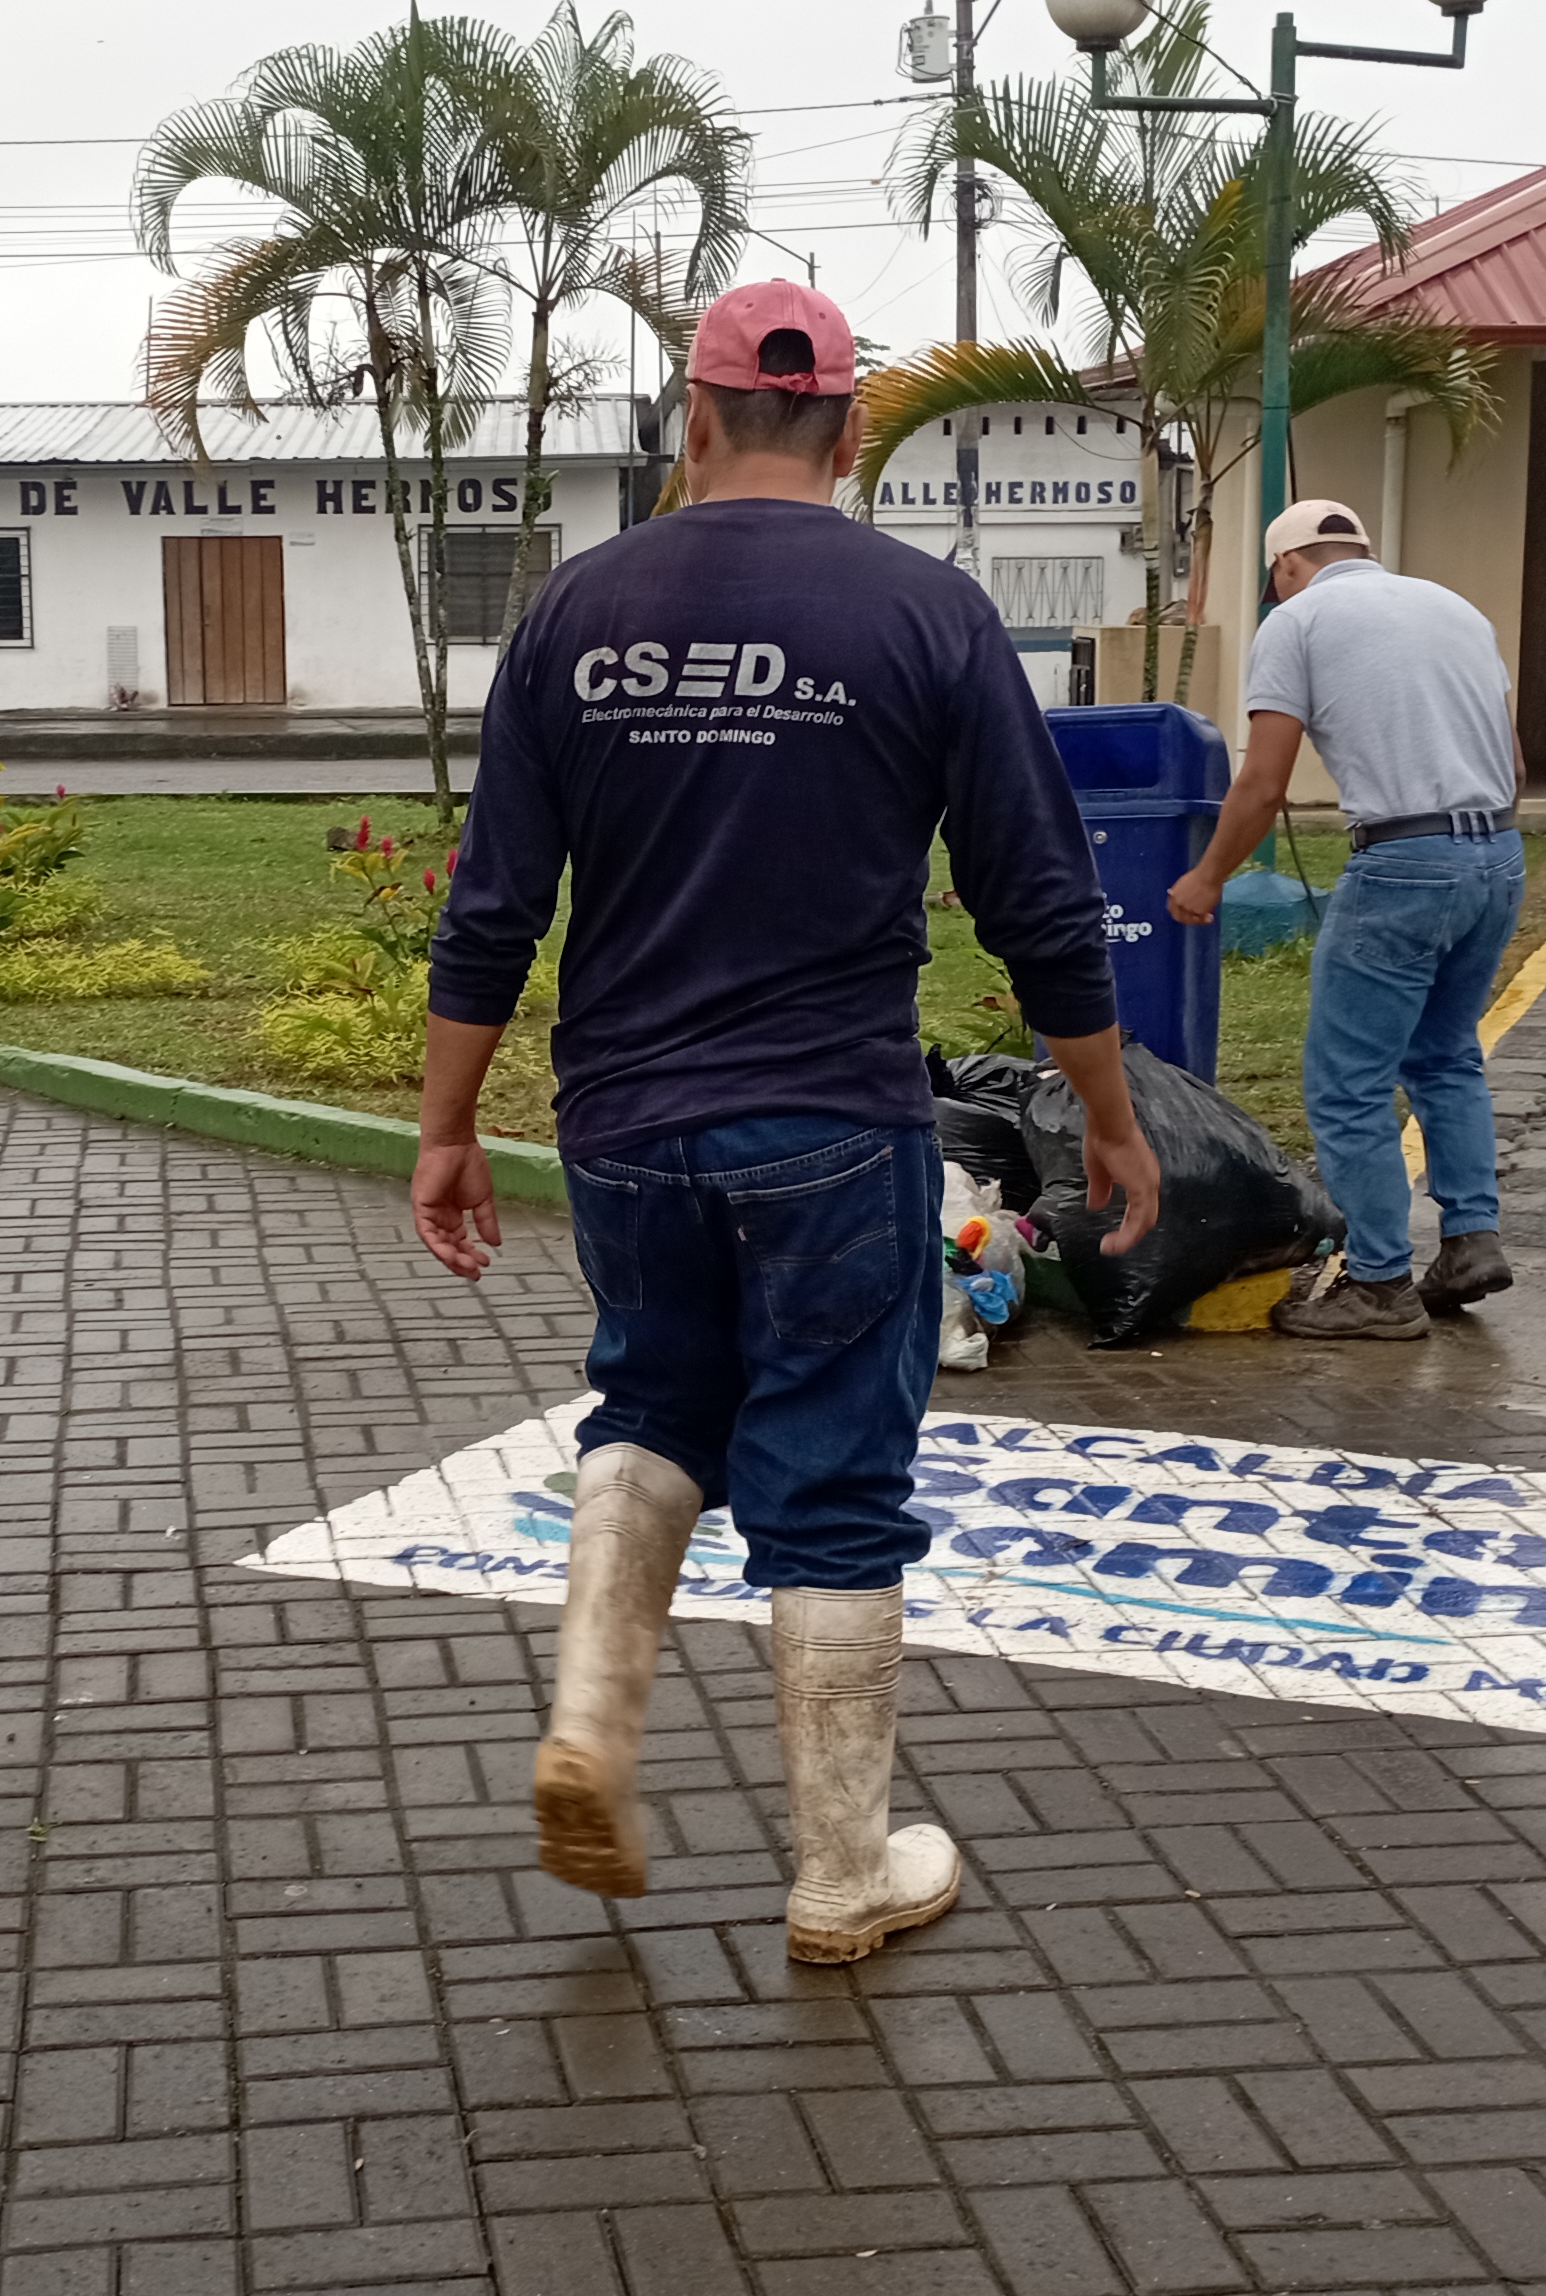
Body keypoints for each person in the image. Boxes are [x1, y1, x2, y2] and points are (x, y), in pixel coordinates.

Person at [408, 279, 1163, 1965]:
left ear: (695, 417)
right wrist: (1108, 1116)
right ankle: (839, 1874)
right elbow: (1038, 899)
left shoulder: (576, 609)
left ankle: (592, 1717)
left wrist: (447, 1126)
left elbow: (494, 901)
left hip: (623, 1123)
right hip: (830, 1117)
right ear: (852, 425)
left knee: (654, 1405)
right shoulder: (928, 613)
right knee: (833, 1479)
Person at [1168, 500, 1522, 1341]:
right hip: (1499, 855)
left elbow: (1264, 781)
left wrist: (1206, 878)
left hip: (1402, 864)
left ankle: (1379, 1284)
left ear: (1287, 564)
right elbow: (1512, 759)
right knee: (1445, 1056)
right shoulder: (1456, 608)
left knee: (1348, 1084)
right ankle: (1471, 1241)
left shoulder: (1297, 621)